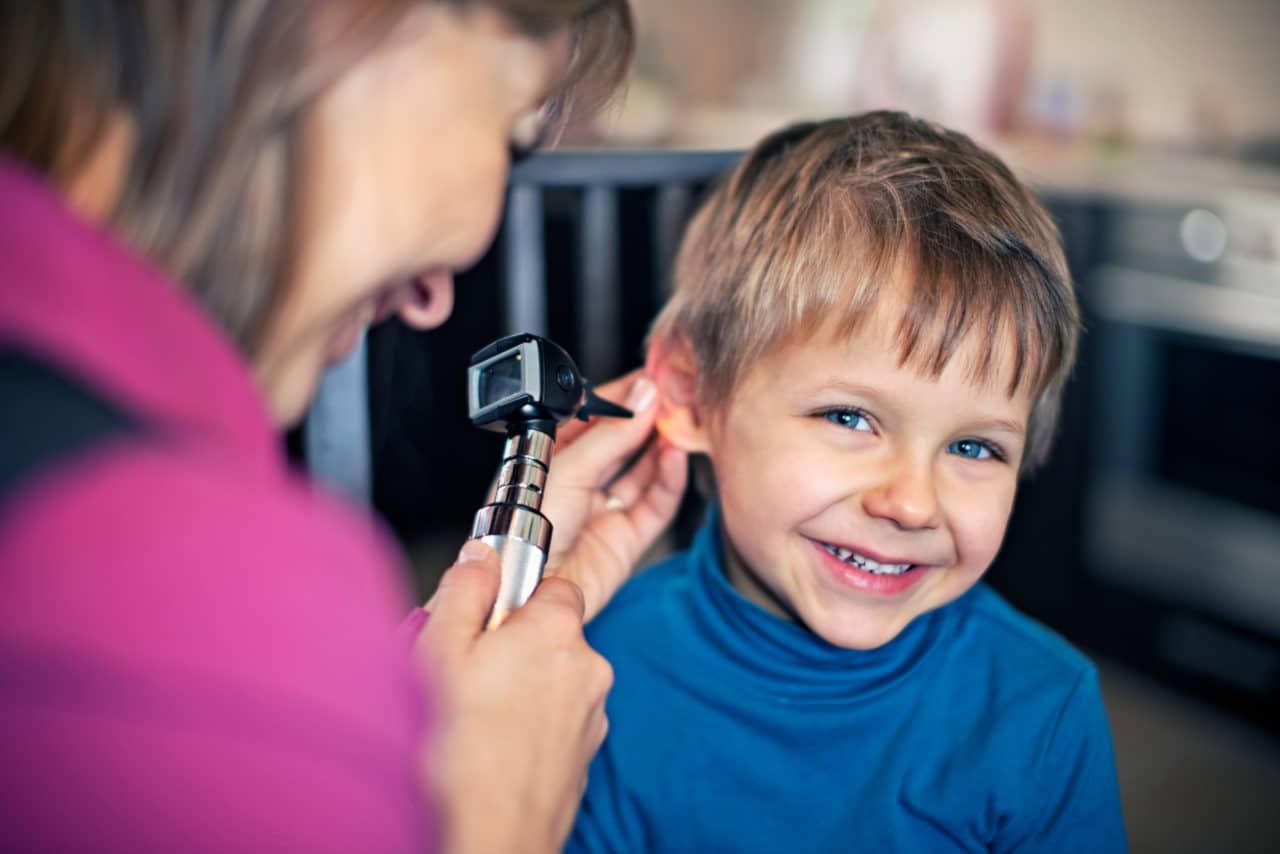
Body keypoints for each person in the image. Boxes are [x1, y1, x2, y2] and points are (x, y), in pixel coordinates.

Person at [0, 2, 688, 851]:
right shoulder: (190, 603)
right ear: (341, 26)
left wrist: (407, 681)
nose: (436, 297)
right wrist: (494, 814)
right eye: (510, 127)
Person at [568, 112, 1128, 852]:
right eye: (850, 418)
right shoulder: (590, 674)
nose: (911, 503)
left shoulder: (1041, 712)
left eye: (972, 446)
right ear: (692, 391)